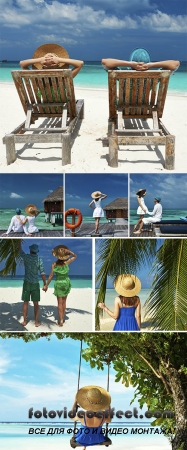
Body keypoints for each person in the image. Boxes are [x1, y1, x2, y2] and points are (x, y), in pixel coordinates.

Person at [43, 245, 77, 326]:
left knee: (59, 303)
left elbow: (51, 276)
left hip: (58, 283)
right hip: (66, 283)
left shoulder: (54, 264)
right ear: (64, 256)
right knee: (64, 302)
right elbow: (75, 256)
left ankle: (60, 319)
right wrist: (69, 251)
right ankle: (62, 318)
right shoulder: (66, 262)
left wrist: (46, 285)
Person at [19, 243, 47, 327]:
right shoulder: (39, 260)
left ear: (31, 250)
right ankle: (36, 322)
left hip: (27, 282)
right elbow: (42, 273)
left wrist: (18, 242)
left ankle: (24, 321)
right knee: (36, 303)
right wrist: (45, 284)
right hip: (35, 283)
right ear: (36, 251)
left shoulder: (26, 257)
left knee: (25, 303)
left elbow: (20, 250)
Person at [102, 47, 180, 72]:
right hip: (146, 108)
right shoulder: (154, 77)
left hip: (125, 109)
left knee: (119, 96)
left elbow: (105, 62)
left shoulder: (125, 75)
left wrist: (129, 64)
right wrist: (152, 65)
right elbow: (175, 64)